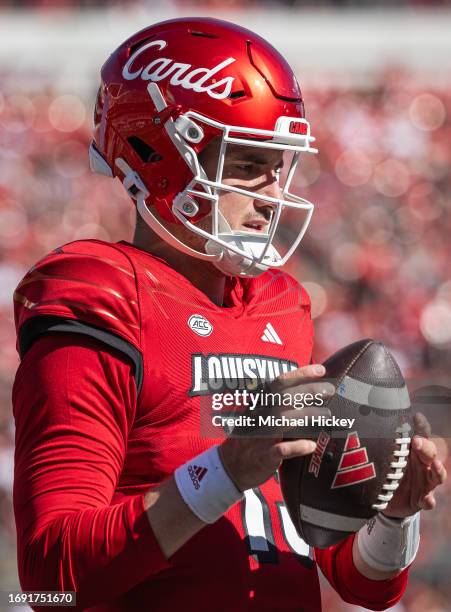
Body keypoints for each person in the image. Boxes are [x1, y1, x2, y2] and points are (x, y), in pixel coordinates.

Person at [12, 17, 446, 612]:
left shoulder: (281, 306)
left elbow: (356, 579)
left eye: (279, 165)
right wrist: (224, 470)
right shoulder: (104, 294)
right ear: (159, 155)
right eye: (245, 163)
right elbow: (46, 579)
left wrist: (394, 514)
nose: (272, 193)